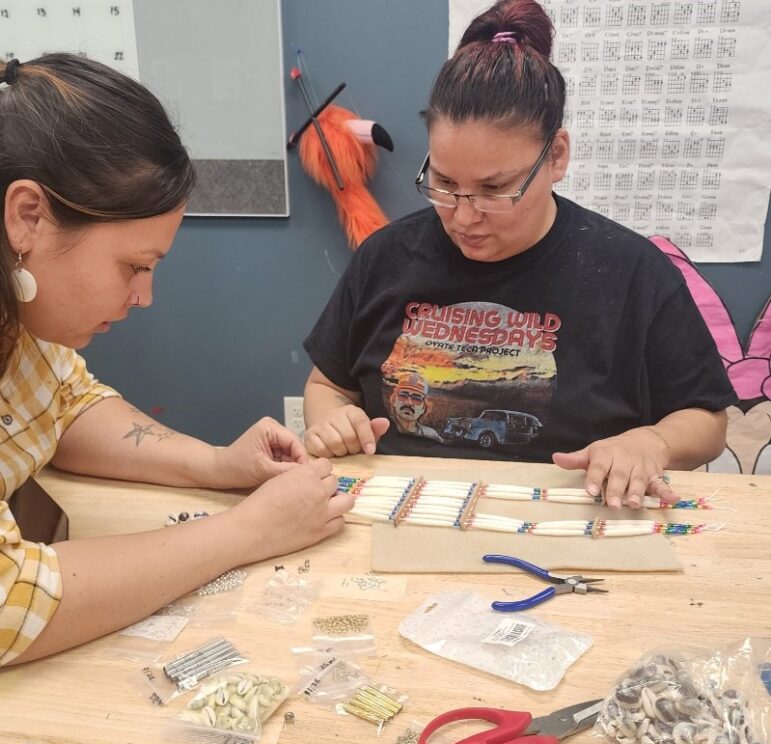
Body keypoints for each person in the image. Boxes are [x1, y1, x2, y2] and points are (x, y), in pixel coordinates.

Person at [302, 0, 736, 510]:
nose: (464, 217)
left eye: (495, 189)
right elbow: (325, 384)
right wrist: (332, 418)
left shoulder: (631, 270)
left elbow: (707, 421)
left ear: (556, 157)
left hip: (571, 515)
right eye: (443, 183)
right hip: (404, 505)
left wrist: (652, 443)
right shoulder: (385, 256)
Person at [0, 54, 352, 667]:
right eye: (134, 267)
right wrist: (246, 532)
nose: (144, 297)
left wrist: (217, 465)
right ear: (29, 216)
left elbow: (66, 405)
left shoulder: (26, 320)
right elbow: (9, 604)